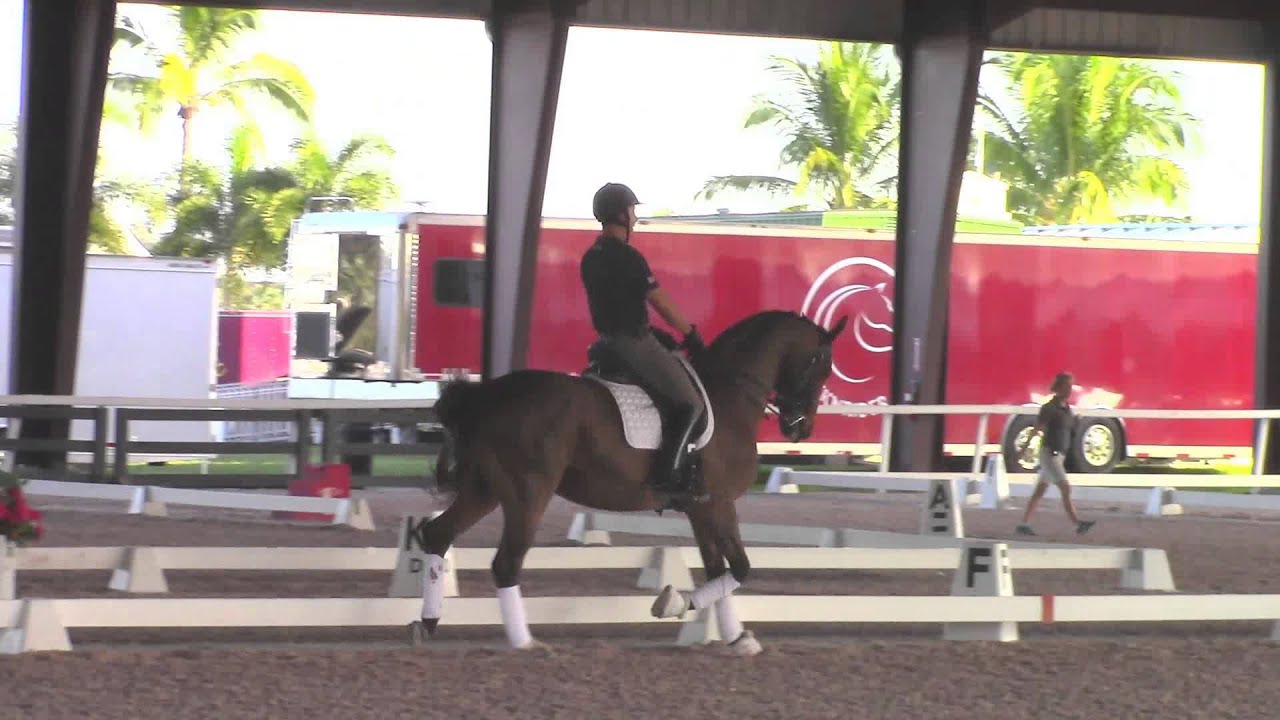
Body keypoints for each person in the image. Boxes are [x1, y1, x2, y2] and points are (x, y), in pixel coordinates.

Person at [579, 182, 707, 506]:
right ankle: (669, 477)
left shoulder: (591, 256)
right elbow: (660, 301)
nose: (635, 218)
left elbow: (617, 303)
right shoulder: (628, 257)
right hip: (632, 343)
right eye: (633, 211)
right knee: (689, 403)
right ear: (621, 214)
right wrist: (690, 333)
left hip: (606, 342)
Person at [1016, 371, 1096, 536]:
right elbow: (1036, 429)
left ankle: (1024, 524)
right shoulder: (1049, 408)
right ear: (1058, 388)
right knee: (1065, 488)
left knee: (1039, 491)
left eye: (1071, 386)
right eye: (1067, 386)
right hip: (1049, 454)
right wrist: (1023, 449)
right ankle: (1077, 523)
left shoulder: (1067, 409)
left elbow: (1068, 428)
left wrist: (1077, 421)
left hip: (1059, 455)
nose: (1070, 390)